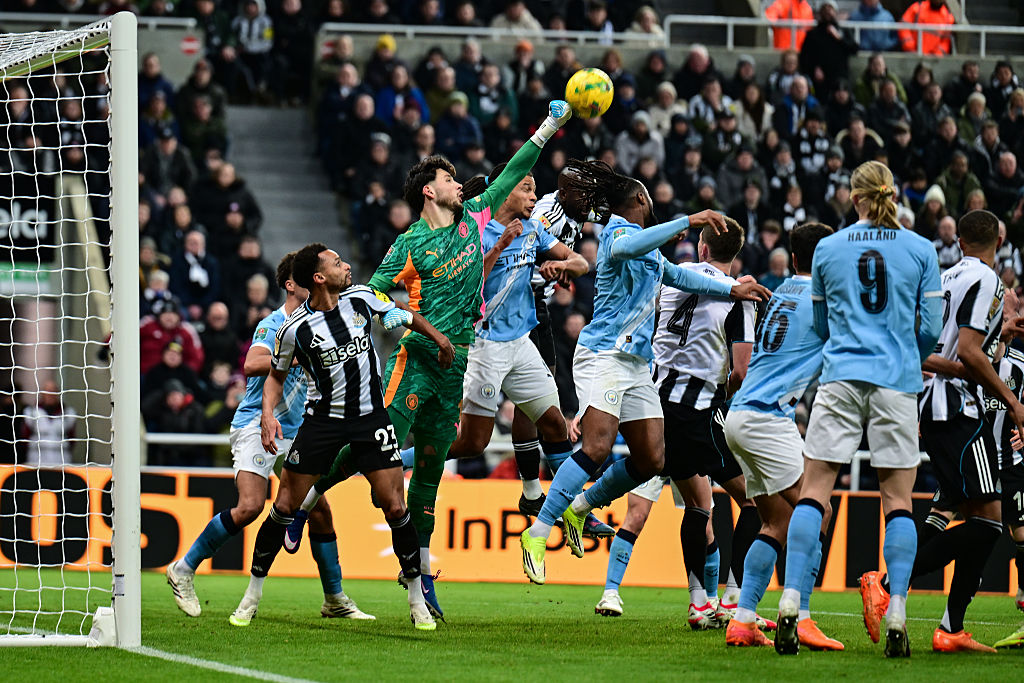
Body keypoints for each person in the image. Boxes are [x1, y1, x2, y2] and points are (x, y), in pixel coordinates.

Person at [284, 101, 576, 619]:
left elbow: (514, 171)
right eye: (449, 178)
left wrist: (550, 127)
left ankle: (421, 585)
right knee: (370, 449)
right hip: (413, 364)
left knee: (429, 483)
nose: (458, 184)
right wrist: (404, 324)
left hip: (456, 367)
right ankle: (301, 501)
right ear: (429, 190)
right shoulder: (409, 244)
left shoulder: (471, 217)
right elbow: (370, 296)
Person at [518, 164, 770, 585]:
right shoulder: (617, 233)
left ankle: (579, 509)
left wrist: (732, 290)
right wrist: (689, 220)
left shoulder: (647, 247)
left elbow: (678, 274)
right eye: (650, 199)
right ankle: (539, 533)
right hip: (604, 354)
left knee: (653, 458)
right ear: (639, 201)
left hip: (636, 362)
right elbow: (622, 253)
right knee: (597, 446)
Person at [228, 243, 454, 631]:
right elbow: (275, 378)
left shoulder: (362, 298)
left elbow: (406, 315)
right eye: (336, 262)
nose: (346, 265)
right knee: (283, 507)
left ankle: (416, 599)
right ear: (318, 278)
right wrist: (267, 414)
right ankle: (252, 595)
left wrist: (440, 339)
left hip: (370, 419)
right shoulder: (293, 329)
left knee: (395, 506)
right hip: (322, 424)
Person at [773, 161, 942, 657]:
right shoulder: (920, 249)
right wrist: (906, 352)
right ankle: (899, 613)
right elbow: (930, 326)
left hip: (842, 376)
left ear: (854, 197)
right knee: (898, 500)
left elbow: (823, 324)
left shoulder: (827, 248)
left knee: (815, 488)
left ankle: (788, 602)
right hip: (897, 381)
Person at [166, 253, 374, 622]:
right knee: (250, 506)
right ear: (292, 284)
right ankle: (183, 569)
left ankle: (335, 599)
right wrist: (299, 357)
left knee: (320, 510)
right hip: (255, 425)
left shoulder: (325, 320)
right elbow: (251, 363)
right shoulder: (275, 323)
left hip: (296, 432)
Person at [588, 217, 764, 629]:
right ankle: (735, 596)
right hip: (698, 409)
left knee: (694, 503)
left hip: (653, 403)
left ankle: (698, 600)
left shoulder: (673, 279)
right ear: (732, 255)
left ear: (702, 249)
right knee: (753, 500)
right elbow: (741, 371)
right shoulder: (740, 297)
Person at [861, 210, 1024, 654]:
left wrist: (998, 335)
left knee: (975, 516)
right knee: (990, 522)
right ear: (999, 238)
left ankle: (951, 628)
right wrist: (1013, 402)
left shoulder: (942, 277)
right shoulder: (990, 281)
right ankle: (890, 581)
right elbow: (969, 353)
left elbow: (927, 349)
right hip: (957, 411)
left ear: (961, 241)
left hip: (931, 408)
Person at [723, 222, 841, 649]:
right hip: (768, 419)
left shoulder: (783, 292)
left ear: (792, 259)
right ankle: (803, 615)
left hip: (739, 417)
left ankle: (743, 619)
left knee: (776, 521)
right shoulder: (821, 301)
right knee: (820, 511)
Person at [798, 0, 858, 102]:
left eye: (830, 8)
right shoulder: (813, 34)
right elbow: (804, 56)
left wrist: (839, 38)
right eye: (824, 9)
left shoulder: (843, 31)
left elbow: (854, 49)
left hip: (839, 79)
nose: (827, 12)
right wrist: (814, 68)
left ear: (835, 12)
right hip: (820, 80)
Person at [19, 380, 76, 467]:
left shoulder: (68, 413)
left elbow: (72, 438)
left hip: (61, 462)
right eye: (47, 391)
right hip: (36, 462)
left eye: (53, 391)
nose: (50, 394)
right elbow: (24, 437)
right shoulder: (31, 412)